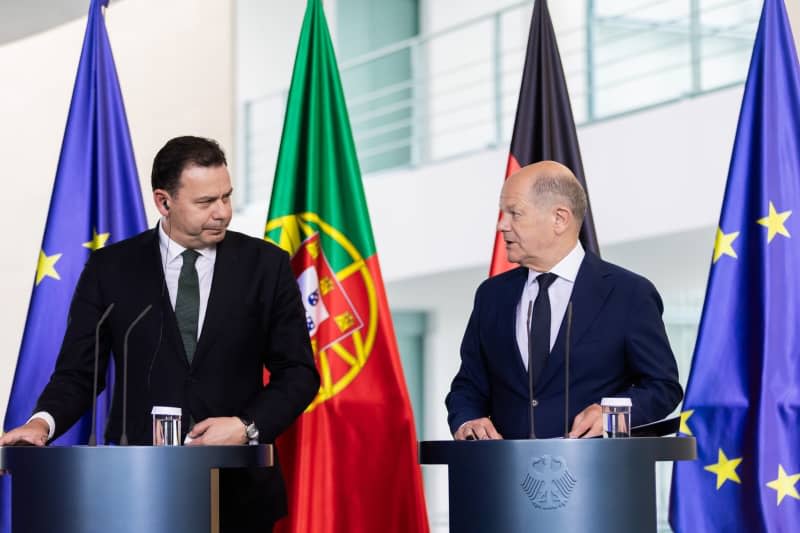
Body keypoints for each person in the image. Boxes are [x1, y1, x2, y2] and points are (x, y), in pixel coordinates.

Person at [0, 136, 320, 531]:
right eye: (205, 202)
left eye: (226, 197)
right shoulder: (110, 269)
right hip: (136, 490)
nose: (222, 212)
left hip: (238, 491)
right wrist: (41, 423)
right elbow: (79, 373)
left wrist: (246, 425)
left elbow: (299, 373)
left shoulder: (265, 265)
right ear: (164, 202)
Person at [446, 161, 682, 440]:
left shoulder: (629, 293)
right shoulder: (492, 295)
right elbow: (468, 385)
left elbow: (662, 387)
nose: (502, 225)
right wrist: (467, 420)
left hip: (598, 474)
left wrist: (610, 416)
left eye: (514, 213)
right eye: (502, 213)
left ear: (560, 218)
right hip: (506, 476)